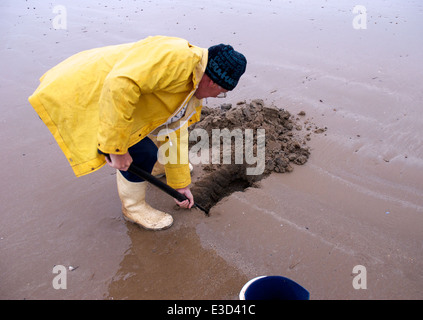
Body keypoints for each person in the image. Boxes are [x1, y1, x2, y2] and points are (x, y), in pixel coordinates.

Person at [28, 35, 247, 230]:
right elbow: (119, 85)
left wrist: (180, 184)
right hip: (79, 93)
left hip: (108, 95)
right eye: (222, 93)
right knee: (143, 154)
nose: (217, 97)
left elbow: (174, 130)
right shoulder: (178, 60)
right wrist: (116, 147)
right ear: (212, 81)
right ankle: (133, 208)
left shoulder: (193, 86)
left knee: (155, 129)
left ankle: (157, 166)